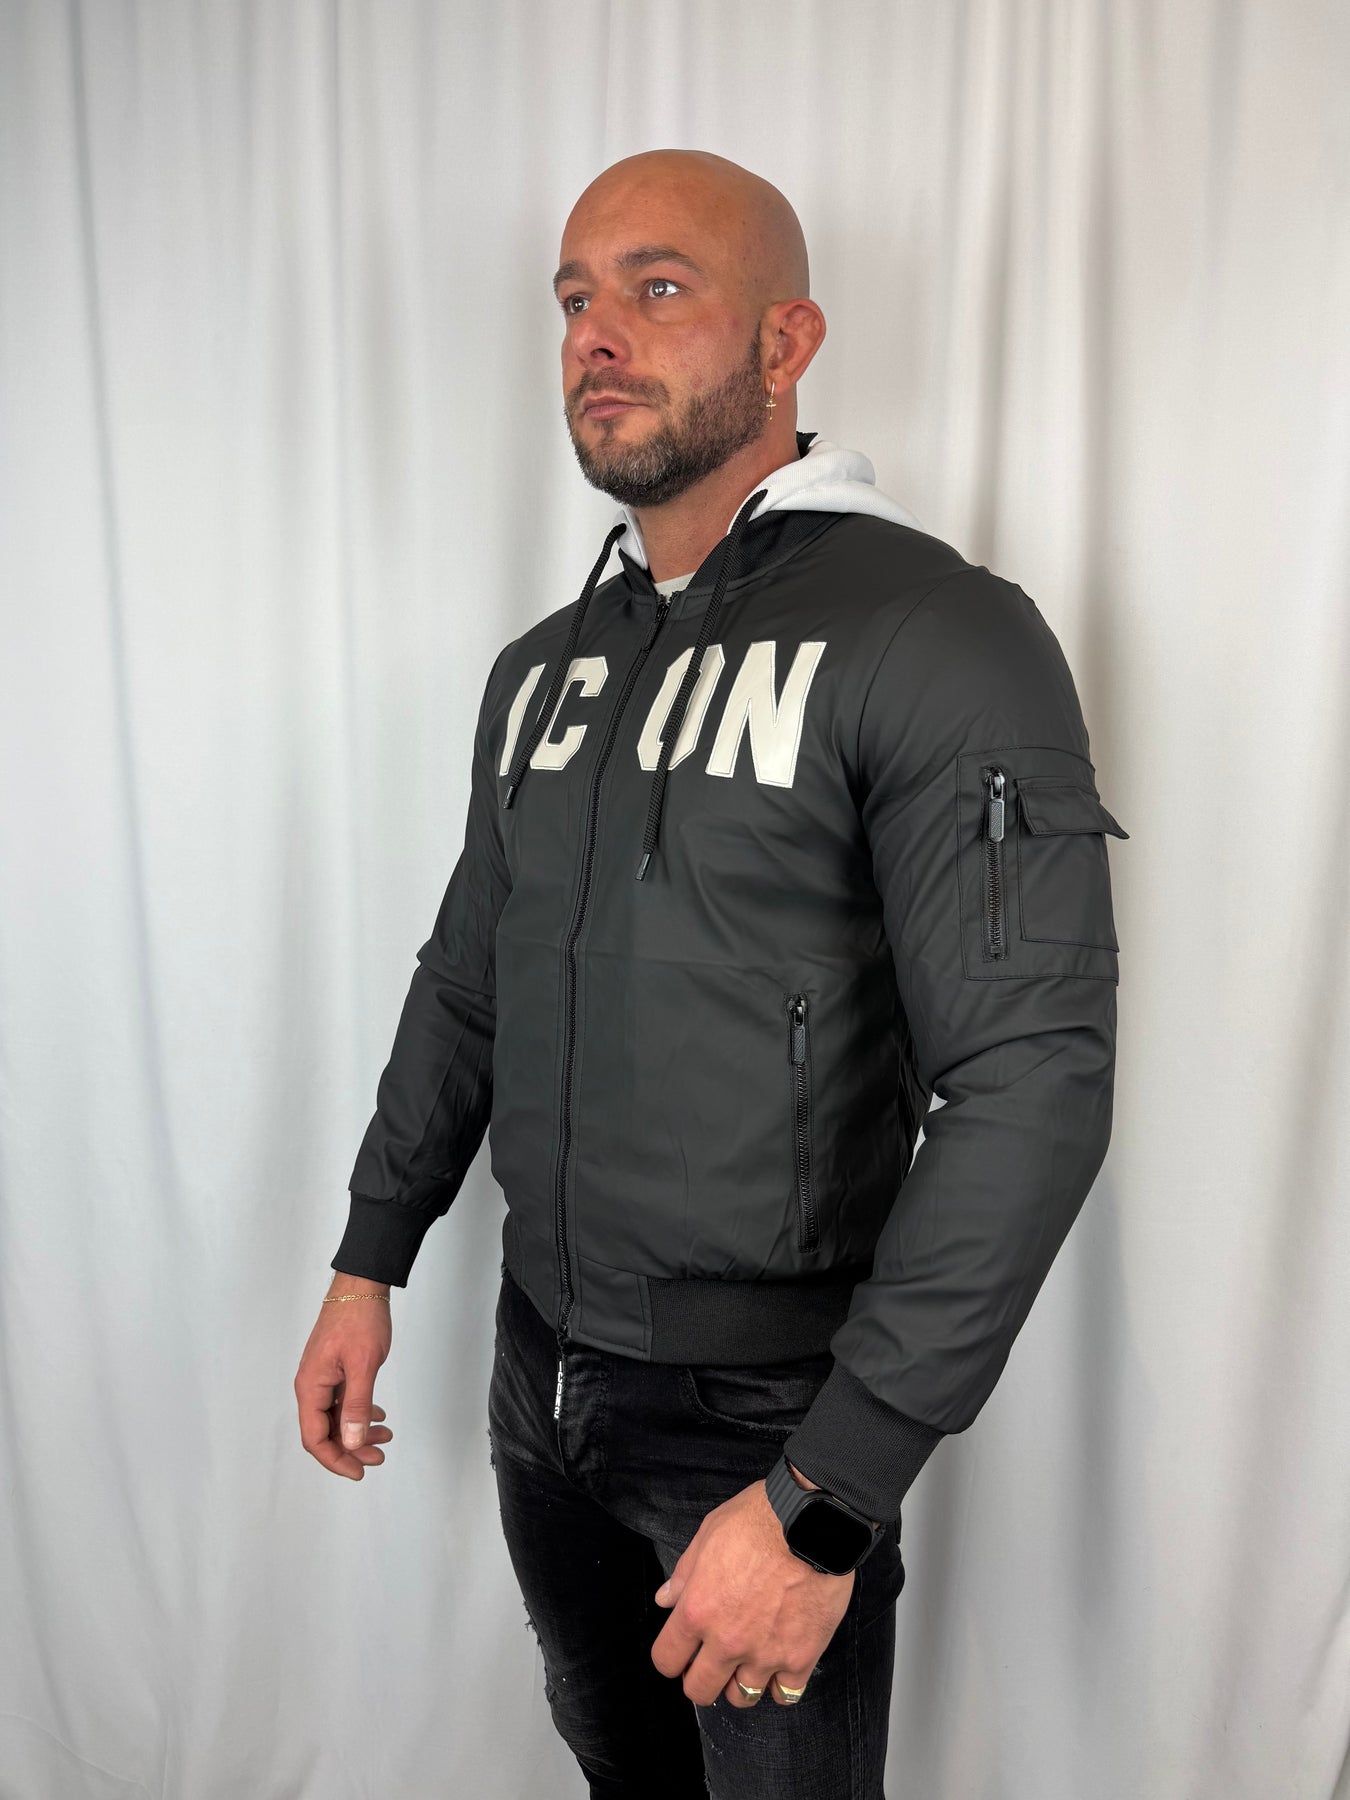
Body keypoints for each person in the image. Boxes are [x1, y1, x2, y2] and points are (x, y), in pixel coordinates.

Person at [294, 148, 1128, 1799]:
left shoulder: (935, 632)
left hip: (764, 1419)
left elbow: (1030, 1080)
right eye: (573, 299)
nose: (595, 334)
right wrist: (367, 1257)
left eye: (657, 288)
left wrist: (825, 1496)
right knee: (624, 1773)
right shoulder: (544, 669)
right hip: (537, 1367)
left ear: (785, 341)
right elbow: (469, 975)